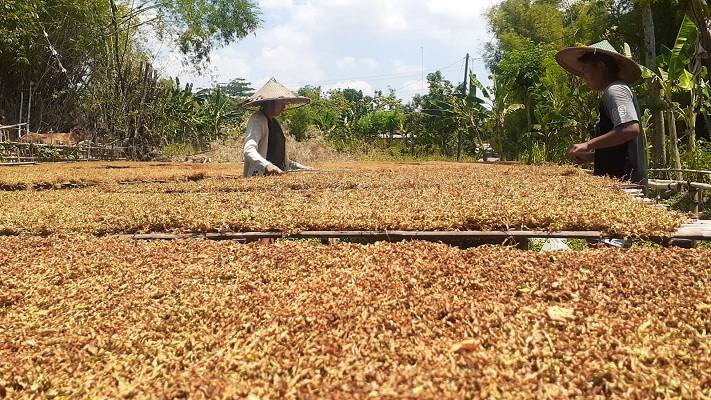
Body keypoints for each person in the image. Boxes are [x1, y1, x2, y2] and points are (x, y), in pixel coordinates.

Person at [556, 40, 648, 186]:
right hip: (616, 180)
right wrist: (593, 157)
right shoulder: (613, 91)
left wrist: (587, 144)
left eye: (586, 70)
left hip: (625, 182)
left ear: (601, 66)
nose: (584, 77)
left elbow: (630, 129)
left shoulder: (615, 90)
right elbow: (620, 145)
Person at [242, 78, 313, 177]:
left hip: (277, 180)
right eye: (281, 103)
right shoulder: (257, 120)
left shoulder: (275, 123)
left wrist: (304, 168)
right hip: (258, 178)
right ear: (270, 103)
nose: (284, 107)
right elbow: (249, 150)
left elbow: (284, 161)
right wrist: (267, 165)